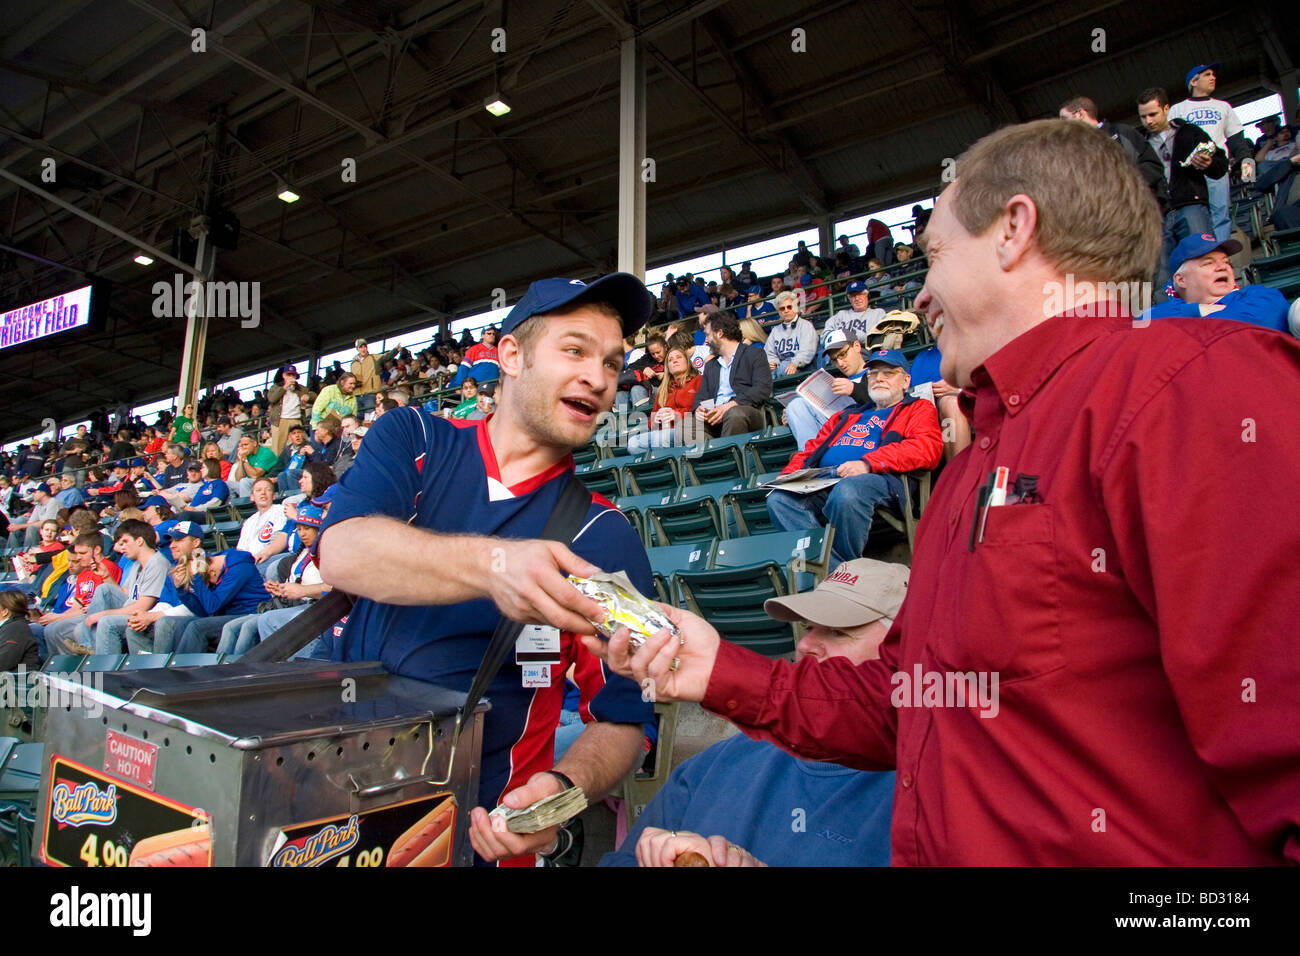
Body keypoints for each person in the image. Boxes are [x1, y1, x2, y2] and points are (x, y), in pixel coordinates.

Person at [587, 118, 1300, 866]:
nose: (922, 294)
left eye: (933, 255)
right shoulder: (973, 466)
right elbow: (907, 704)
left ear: (1013, 230)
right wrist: (717, 669)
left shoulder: (1195, 389)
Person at [317, 271, 658, 867]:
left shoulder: (605, 537)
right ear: (510, 356)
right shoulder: (416, 437)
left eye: (612, 362)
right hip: (336, 812)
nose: (599, 379)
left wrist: (558, 796)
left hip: (478, 840)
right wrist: (497, 565)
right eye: (574, 350)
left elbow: (627, 718)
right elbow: (343, 552)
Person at [601, 558, 903, 867]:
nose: (807, 645)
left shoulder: (927, 795)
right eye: (809, 628)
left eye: (839, 632)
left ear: (902, 654)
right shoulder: (714, 764)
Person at [768, 349, 942, 564]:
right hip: (825, 477)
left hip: (879, 478)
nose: (879, 378)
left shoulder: (916, 408)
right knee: (780, 499)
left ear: (906, 381)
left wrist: (867, 463)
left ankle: (839, 573)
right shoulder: (848, 414)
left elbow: (926, 448)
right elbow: (811, 449)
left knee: (848, 491)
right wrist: (789, 477)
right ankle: (836, 570)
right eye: (873, 374)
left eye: (888, 373)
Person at [1138, 86, 1227, 290]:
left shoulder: (1190, 131)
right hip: (1157, 214)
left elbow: (1220, 165)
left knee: (1204, 261)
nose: (1148, 121)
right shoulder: (1139, 143)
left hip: (1191, 205)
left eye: (1153, 114)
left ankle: (1215, 314)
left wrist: (1209, 163)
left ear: (1166, 109)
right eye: (1143, 117)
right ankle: (1172, 318)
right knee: (1162, 275)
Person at [1169, 64, 1254, 242]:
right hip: (1189, 171)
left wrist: (1247, 166)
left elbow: (1237, 139)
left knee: (1221, 214)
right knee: (1193, 214)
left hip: (1216, 167)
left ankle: (1221, 256)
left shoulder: (1223, 106)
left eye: (1213, 74)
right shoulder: (1178, 109)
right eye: (1207, 74)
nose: (1212, 77)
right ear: (1193, 81)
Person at [1140, 234, 1291, 333]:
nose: (1222, 266)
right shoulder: (1160, 313)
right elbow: (1141, 323)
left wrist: (1193, 320)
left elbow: (1258, 321)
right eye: (1208, 263)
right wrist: (1196, 310)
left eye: (1227, 262)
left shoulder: (1258, 296)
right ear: (1181, 280)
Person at [74, 520, 172, 655]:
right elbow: (127, 594)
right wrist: (106, 577)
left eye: (125, 542)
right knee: (104, 589)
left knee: (106, 622)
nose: (122, 548)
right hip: (132, 610)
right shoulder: (136, 564)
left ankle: (106, 670)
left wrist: (101, 615)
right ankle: (89, 646)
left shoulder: (158, 564)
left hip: (147, 617)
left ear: (139, 541)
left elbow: (142, 607)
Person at [1058, 95, 1168, 212]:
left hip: (1146, 212)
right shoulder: (1074, 153)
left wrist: (1125, 185)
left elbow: (1153, 165)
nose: (1062, 126)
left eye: (1064, 119)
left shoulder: (1121, 133)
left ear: (1080, 114)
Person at [692, 311, 771, 438]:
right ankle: (713, 457)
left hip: (746, 411)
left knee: (734, 414)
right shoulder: (711, 365)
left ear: (719, 333)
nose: (706, 340)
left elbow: (762, 389)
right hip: (715, 416)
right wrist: (700, 410)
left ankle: (729, 456)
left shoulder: (754, 354)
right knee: (687, 424)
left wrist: (731, 405)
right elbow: (703, 395)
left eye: (708, 335)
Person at [785, 329, 868, 449]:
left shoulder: (876, 370)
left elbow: (891, 402)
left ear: (856, 346)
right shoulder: (837, 380)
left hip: (865, 430)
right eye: (834, 359)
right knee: (796, 406)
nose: (840, 363)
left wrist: (854, 389)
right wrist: (794, 415)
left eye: (843, 354)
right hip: (838, 431)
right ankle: (809, 460)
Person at [627, 340, 704, 454]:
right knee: (633, 443)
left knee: (660, 438)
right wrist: (655, 419)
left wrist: (676, 415)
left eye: (679, 357)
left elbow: (701, 411)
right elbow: (650, 423)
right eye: (670, 360)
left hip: (687, 429)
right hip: (662, 431)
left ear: (687, 362)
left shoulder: (698, 380)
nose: (675, 361)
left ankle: (669, 468)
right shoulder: (664, 388)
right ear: (667, 366)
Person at [235, 477, 289, 572]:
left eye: (267, 490)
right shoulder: (249, 521)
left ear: (273, 496)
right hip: (250, 562)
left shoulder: (280, 511)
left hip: (269, 559)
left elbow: (276, 540)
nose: (263, 493)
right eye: (258, 490)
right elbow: (241, 549)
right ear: (252, 497)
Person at [764, 291, 817, 375]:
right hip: (780, 368)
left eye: (789, 307)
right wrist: (772, 362)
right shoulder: (775, 330)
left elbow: (807, 351)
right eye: (782, 308)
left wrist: (795, 363)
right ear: (779, 312)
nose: (786, 310)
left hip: (803, 368)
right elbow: (769, 353)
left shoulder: (806, 326)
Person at [266, 366, 315, 455]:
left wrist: (308, 397)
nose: (291, 376)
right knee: (278, 448)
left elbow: (314, 397)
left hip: (296, 419)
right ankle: (279, 467)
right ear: (284, 375)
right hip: (280, 421)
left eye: (293, 375)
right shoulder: (276, 387)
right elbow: (272, 399)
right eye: (289, 374)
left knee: (297, 446)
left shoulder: (301, 388)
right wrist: (284, 387)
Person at [823, 280, 886, 348]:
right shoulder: (841, 314)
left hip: (864, 350)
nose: (857, 298)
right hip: (839, 350)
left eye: (860, 294)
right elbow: (825, 336)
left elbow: (877, 337)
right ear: (849, 299)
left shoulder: (878, 313)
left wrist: (844, 339)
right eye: (853, 296)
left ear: (867, 295)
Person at [0, 590, 40, 672]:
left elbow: (4, 662)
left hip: (17, 681)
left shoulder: (16, 629)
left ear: (4, 612)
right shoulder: (9, 627)